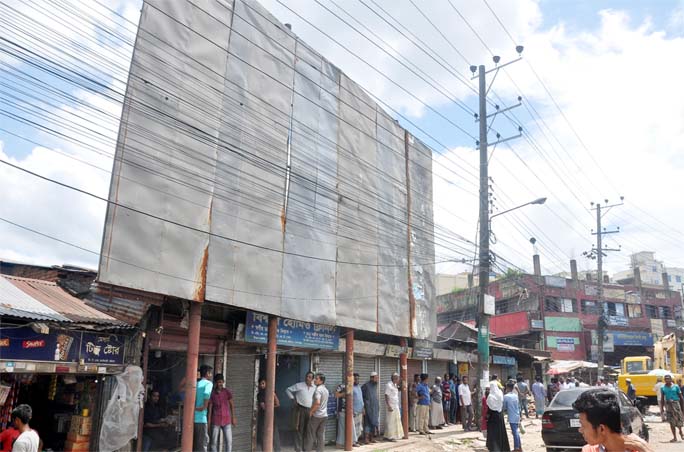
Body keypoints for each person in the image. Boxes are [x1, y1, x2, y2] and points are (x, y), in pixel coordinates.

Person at [572, 389, 653, 452]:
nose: (580, 430)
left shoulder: (639, 450)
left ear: (601, 429)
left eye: (583, 425)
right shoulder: (589, 450)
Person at [286, 371, 316, 452]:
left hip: (309, 410)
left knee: (307, 430)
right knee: (299, 429)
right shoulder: (299, 385)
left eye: (310, 377)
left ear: (312, 379)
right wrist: (293, 399)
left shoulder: (314, 387)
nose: (307, 378)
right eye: (307, 376)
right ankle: (298, 449)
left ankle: (305, 449)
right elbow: (288, 390)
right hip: (300, 410)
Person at [209, 374, 234, 452]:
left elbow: (231, 405)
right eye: (218, 382)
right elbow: (210, 408)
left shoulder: (227, 392)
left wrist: (233, 417)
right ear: (215, 383)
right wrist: (209, 420)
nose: (220, 384)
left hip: (227, 420)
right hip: (216, 421)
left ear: (223, 382)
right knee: (213, 443)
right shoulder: (212, 394)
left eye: (221, 382)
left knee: (229, 442)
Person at [335, 374, 361, 448]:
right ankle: (340, 444)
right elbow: (336, 395)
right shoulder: (341, 386)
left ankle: (352, 442)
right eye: (352, 378)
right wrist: (345, 393)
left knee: (352, 426)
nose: (353, 380)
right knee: (342, 427)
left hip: (350, 410)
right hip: (342, 410)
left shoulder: (353, 386)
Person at [304, 373, 329, 452]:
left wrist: (311, 412)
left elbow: (317, 403)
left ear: (321, 381)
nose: (314, 380)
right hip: (324, 415)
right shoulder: (325, 389)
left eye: (317, 379)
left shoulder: (318, 390)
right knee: (320, 435)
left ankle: (307, 450)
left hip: (317, 416)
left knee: (310, 434)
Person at [256, 378, 281, 452]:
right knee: (263, 435)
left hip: (273, 417)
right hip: (263, 418)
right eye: (261, 384)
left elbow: (278, 403)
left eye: (263, 383)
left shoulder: (272, 392)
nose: (262, 385)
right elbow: (264, 407)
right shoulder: (260, 394)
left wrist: (273, 394)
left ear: (267, 384)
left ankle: (277, 450)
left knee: (275, 436)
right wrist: (272, 406)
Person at [486, 379, 510, 452]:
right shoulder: (500, 394)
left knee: (493, 433)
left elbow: (490, 408)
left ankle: (494, 448)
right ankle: (502, 448)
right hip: (500, 415)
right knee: (501, 432)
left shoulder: (490, 397)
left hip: (493, 416)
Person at [660, 374, 684, 442]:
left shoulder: (676, 386)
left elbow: (681, 397)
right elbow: (662, 399)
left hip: (676, 404)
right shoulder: (663, 388)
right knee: (671, 422)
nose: (667, 380)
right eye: (666, 379)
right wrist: (662, 408)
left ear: (671, 379)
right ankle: (674, 437)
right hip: (668, 405)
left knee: (678, 419)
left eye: (668, 378)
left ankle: (680, 431)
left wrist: (682, 407)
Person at [194, 365, 214, 452]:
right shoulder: (209, 383)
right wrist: (204, 406)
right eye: (210, 373)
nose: (211, 375)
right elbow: (206, 393)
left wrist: (195, 408)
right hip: (201, 419)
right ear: (207, 373)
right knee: (203, 444)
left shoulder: (197, 383)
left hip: (194, 418)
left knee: (196, 444)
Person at [503, 381, 522, 452]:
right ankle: (519, 446)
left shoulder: (506, 396)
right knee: (516, 431)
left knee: (515, 432)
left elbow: (504, 407)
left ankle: (516, 447)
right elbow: (518, 406)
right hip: (517, 415)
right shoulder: (515, 396)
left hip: (511, 416)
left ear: (507, 388)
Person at [384, 373, 403, 441]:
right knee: (391, 422)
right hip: (391, 406)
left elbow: (398, 391)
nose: (398, 380)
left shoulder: (395, 385)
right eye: (398, 378)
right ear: (394, 378)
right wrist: (389, 406)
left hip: (396, 405)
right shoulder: (389, 385)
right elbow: (386, 396)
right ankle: (391, 437)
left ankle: (387, 435)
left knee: (395, 421)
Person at [361, 372, 380, 444]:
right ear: (371, 378)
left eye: (377, 378)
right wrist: (363, 408)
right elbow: (361, 397)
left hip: (374, 407)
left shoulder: (375, 385)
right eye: (375, 378)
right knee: (367, 423)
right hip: (368, 408)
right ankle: (366, 439)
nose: (377, 379)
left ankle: (371, 438)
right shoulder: (365, 386)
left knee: (374, 422)